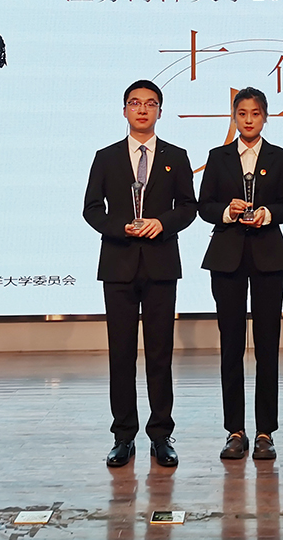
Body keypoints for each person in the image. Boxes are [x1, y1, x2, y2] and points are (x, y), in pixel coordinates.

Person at [83, 79, 196, 468]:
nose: (143, 109)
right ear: (125, 110)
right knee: (121, 354)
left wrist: (161, 224)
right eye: (135, 103)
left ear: (160, 111)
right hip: (118, 264)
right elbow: (92, 209)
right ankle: (123, 435)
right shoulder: (106, 156)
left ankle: (161, 435)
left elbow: (188, 207)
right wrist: (122, 227)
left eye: (150, 103)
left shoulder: (176, 156)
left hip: (161, 264)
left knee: (160, 354)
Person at [198, 87, 283, 461]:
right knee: (231, 346)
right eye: (242, 113)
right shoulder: (218, 157)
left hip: (269, 256)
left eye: (255, 113)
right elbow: (204, 206)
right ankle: (234, 431)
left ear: (265, 117)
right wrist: (228, 211)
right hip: (227, 258)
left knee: (268, 346)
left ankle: (265, 431)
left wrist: (266, 213)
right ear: (234, 117)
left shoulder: (279, 157)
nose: (249, 119)